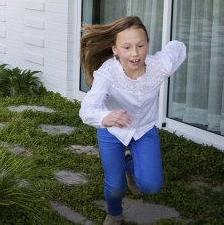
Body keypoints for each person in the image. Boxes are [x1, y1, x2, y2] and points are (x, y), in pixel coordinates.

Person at [79, 16, 186, 225]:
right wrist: (105, 117)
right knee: (115, 185)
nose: (135, 53)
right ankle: (114, 213)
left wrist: (175, 43)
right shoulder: (107, 73)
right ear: (115, 49)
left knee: (151, 186)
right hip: (112, 130)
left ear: (147, 44)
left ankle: (129, 165)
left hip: (144, 129)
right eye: (126, 47)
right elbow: (87, 109)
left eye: (141, 45)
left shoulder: (159, 66)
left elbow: (178, 48)